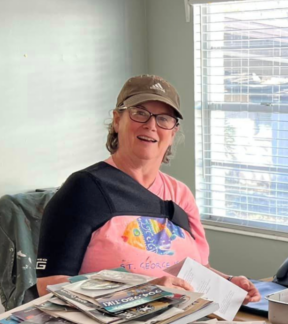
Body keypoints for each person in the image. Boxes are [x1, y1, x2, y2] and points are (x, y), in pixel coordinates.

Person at [35, 74, 260, 303]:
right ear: (116, 120)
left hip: (181, 321)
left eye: (164, 119)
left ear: (172, 133)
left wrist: (228, 283)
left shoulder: (180, 195)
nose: (151, 125)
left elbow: (197, 271)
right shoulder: (83, 190)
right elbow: (50, 286)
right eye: (139, 113)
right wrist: (143, 291)